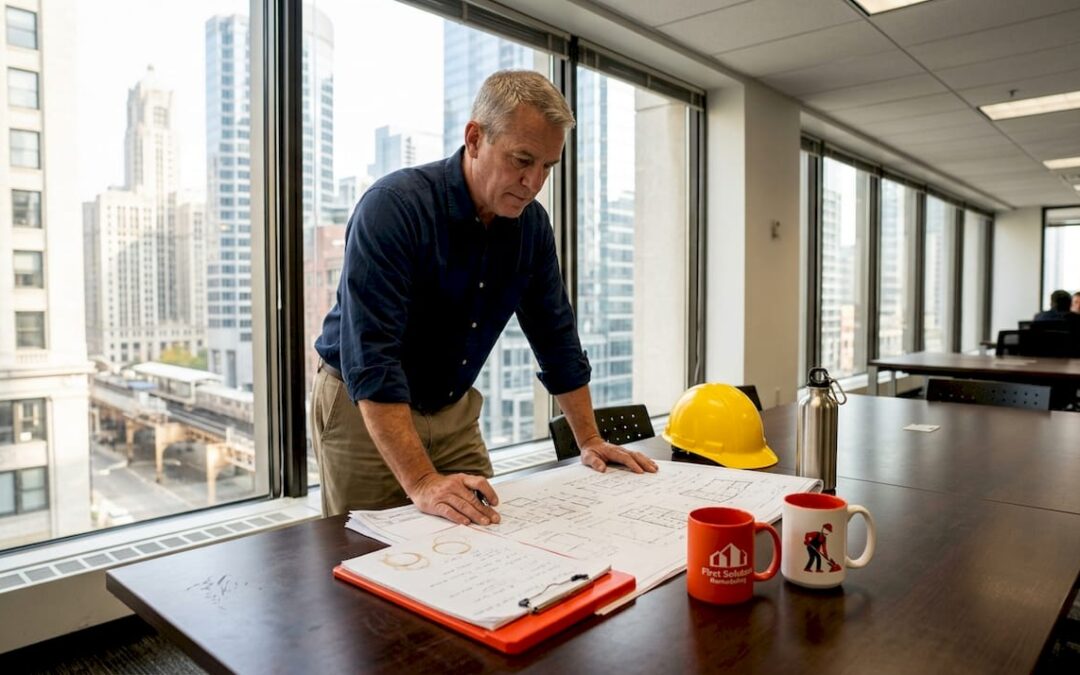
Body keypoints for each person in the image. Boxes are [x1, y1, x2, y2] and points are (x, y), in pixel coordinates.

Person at [311, 70, 657, 524]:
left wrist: (589, 440)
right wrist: (421, 481)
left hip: (453, 408)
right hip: (365, 410)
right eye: (522, 160)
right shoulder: (394, 207)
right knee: (370, 547)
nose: (533, 182)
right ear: (474, 139)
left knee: (485, 532)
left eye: (547, 167)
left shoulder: (532, 227)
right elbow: (371, 356)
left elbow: (555, 336)